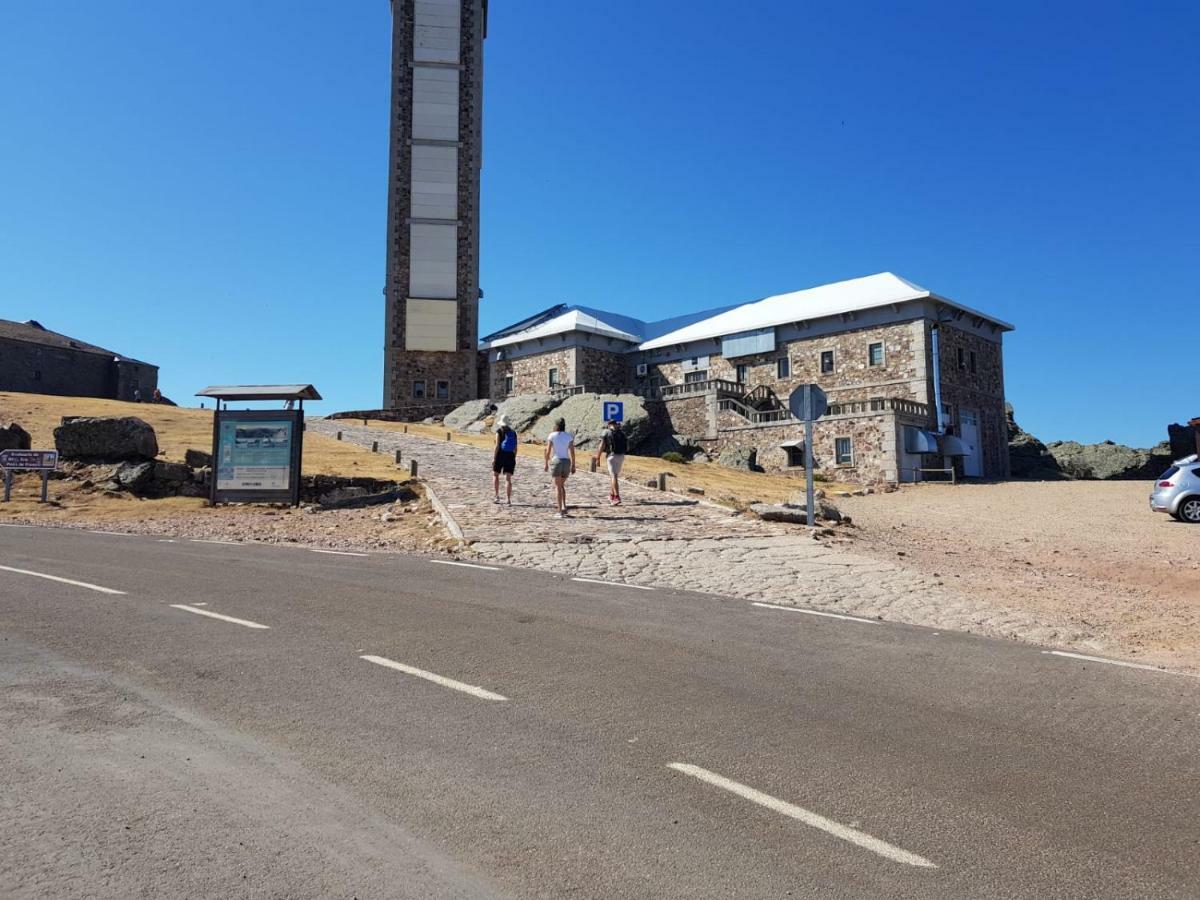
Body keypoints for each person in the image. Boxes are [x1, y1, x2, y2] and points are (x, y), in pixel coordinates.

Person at [543, 417, 576, 518]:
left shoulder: (552, 435)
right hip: (566, 461)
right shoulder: (569, 436)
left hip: (556, 461)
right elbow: (572, 452)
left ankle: (559, 511)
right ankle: (564, 507)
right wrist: (573, 464)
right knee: (561, 485)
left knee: (557, 486)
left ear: (556, 425)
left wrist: (546, 463)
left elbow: (548, 451)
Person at [593, 419, 628, 506]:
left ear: (609, 425)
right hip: (621, 456)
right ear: (616, 424)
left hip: (611, 456)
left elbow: (602, 445)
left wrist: (598, 457)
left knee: (613, 476)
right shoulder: (621, 433)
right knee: (614, 476)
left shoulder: (606, 432)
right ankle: (611, 495)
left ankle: (616, 497)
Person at [492, 414, 518, 504]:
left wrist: (494, 458)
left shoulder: (499, 431)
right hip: (510, 456)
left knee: (495, 475)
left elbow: (497, 446)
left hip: (500, 455)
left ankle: (496, 496)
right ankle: (508, 499)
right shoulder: (513, 432)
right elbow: (515, 448)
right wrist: (513, 457)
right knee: (508, 479)